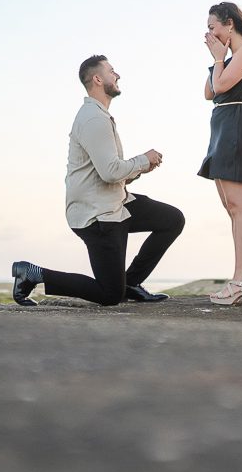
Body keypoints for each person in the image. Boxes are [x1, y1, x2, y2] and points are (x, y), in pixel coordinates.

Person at [11, 55, 185, 307]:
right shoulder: (93, 119)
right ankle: (33, 274)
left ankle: (132, 282)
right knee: (110, 295)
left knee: (171, 219)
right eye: (112, 71)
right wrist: (143, 160)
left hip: (116, 204)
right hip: (97, 215)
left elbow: (109, 173)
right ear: (97, 78)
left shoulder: (99, 116)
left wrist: (138, 170)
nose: (118, 75)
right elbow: (110, 172)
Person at [198, 2, 242, 306]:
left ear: (229, 24)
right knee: (231, 206)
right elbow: (209, 92)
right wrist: (218, 58)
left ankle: (241, 277)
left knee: (240, 206)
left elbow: (222, 83)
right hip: (222, 125)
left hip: (237, 125)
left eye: (213, 26)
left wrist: (218, 59)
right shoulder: (229, 57)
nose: (209, 33)